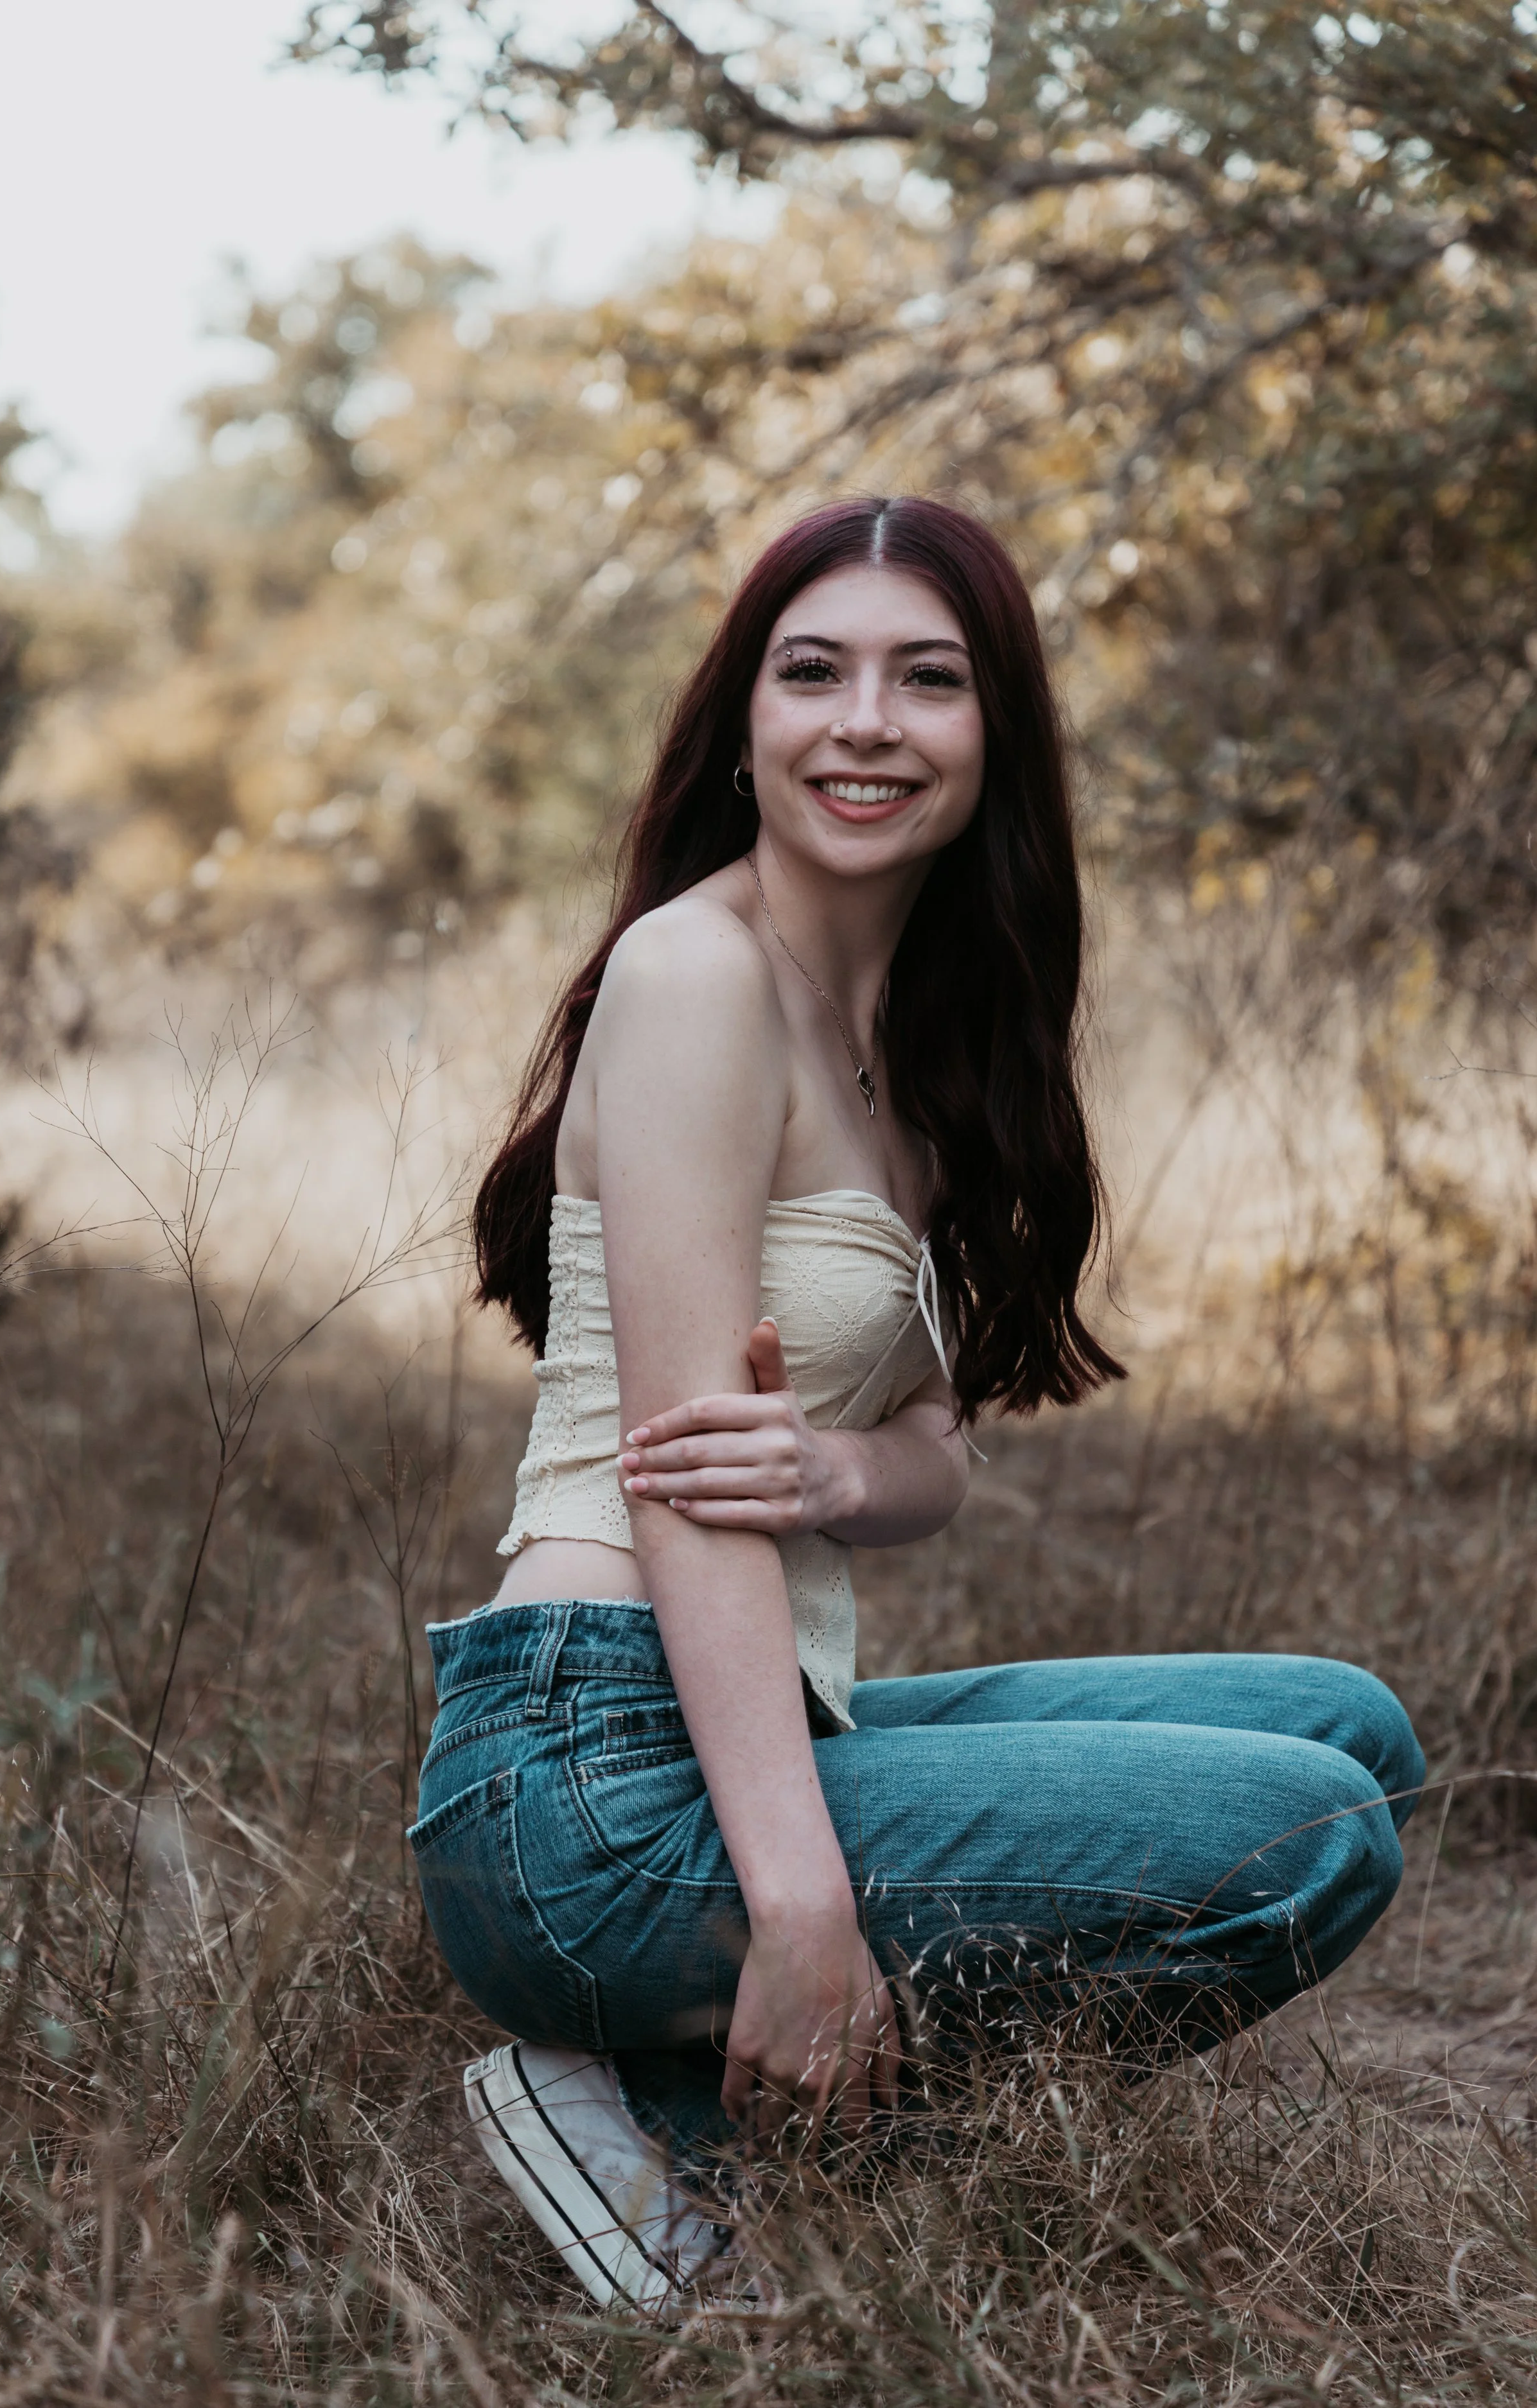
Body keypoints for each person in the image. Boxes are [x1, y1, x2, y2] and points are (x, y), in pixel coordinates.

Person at [409, 496, 1425, 2312]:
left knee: (1349, 1730)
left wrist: (834, 1456)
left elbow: (925, 1460)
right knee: (1302, 1832)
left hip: (749, 1713)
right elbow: (684, 1487)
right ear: (742, 719)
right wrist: (799, 1907)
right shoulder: (695, 972)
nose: (864, 720)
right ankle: (674, 2140)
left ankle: (669, 2103)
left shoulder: (919, 1032)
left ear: (992, 735)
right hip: (585, 1774)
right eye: (813, 671)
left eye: (925, 679)